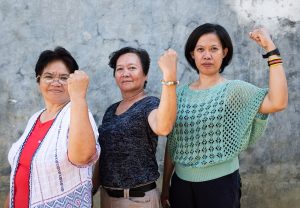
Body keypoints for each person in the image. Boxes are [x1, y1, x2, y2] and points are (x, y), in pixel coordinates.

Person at [160, 23, 288, 208]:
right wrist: (165, 188)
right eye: (200, 49)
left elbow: (278, 102)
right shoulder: (178, 93)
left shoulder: (234, 90)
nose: (207, 55)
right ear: (192, 54)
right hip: (181, 188)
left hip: (220, 187)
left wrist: (271, 49)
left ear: (224, 52)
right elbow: (172, 144)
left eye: (214, 49)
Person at [4, 47, 100, 208]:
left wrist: (79, 96)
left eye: (64, 78)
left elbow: (83, 157)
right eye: (49, 76)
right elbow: (21, 170)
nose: (56, 82)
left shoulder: (78, 112)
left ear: (73, 83)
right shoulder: (36, 118)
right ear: (38, 80)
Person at [92, 46, 178, 208]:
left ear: (145, 75)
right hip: (107, 198)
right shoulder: (111, 110)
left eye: (132, 68)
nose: (125, 73)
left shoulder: (150, 104)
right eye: (120, 69)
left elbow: (163, 127)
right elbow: (103, 154)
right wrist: (91, 188)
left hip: (138, 200)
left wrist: (169, 75)